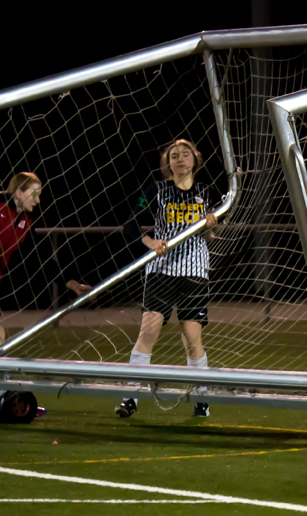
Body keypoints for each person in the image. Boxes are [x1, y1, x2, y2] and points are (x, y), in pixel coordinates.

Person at [0, 172, 92, 420]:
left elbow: (40, 256)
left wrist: (68, 281)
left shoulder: (24, 221)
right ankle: (5, 396)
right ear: (20, 191)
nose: (38, 199)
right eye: (35, 193)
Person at [116, 140, 218, 419]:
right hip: (161, 270)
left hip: (195, 272)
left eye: (186, 154)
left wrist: (210, 228)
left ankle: (201, 398)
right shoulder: (156, 190)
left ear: (195, 160)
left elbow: (208, 237)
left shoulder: (205, 192)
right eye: (174, 156)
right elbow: (130, 222)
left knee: (191, 337)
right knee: (148, 332)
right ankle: (130, 397)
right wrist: (149, 241)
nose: (181, 159)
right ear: (168, 164)